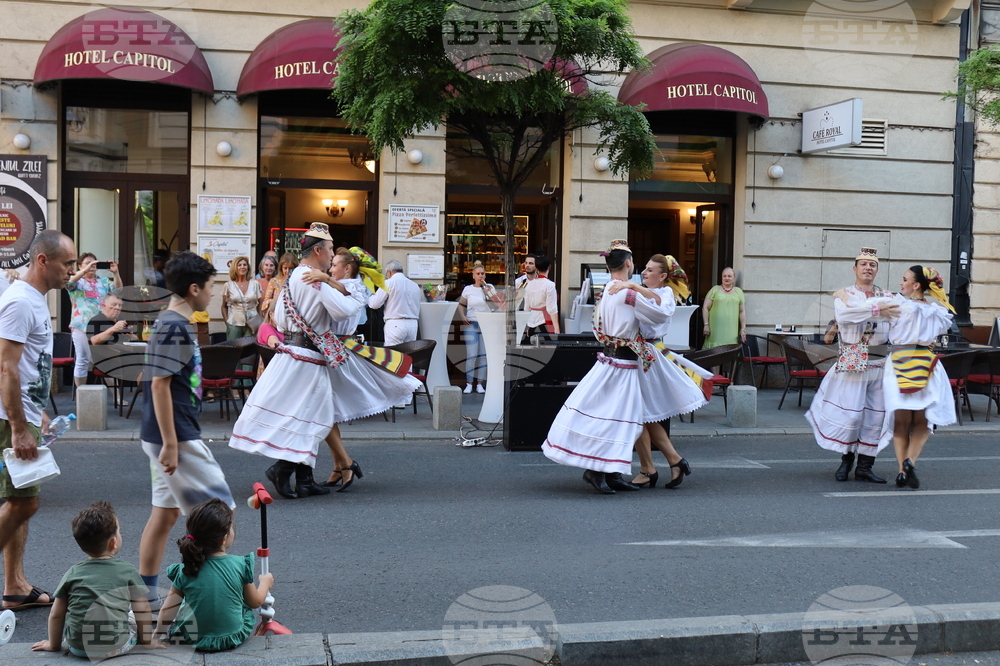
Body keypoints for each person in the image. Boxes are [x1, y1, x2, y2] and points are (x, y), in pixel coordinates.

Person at [230, 223, 420, 498]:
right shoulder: (315, 278)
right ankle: (285, 469)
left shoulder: (295, 275)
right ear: (318, 250)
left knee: (311, 415)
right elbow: (345, 311)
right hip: (308, 357)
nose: (332, 255)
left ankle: (304, 477)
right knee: (314, 415)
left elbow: (280, 318)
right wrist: (345, 288)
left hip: (297, 352)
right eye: (330, 249)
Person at [137, 251, 235, 609]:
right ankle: (203, 597)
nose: (213, 293)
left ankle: (146, 602)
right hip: (177, 434)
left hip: (169, 433)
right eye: (210, 287)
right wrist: (170, 444)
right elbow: (160, 385)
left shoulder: (171, 321)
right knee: (221, 515)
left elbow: (154, 377)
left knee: (164, 516)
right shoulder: (175, 326)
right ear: (194, 289)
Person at [0, 229, 76, 611]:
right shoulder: (19, 303)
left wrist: (39, 412)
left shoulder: (33, 301)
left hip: (24, 414)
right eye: (68, 263)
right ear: (43, 261)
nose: (72, 272)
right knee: (24, 504)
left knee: (19, 497)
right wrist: (17, 427)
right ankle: (12, 584)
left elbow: (31, 368)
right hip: (8, 419)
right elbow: (6, 366)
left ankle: (14, 585)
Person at [541, 240, 656, 495]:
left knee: (619, 419)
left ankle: (611, 471)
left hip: (611, 361)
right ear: (628, 263)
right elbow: (659, 315)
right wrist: (644, 289)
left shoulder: (606, 290)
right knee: (619, 419)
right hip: (621, 364)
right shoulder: (626, 292)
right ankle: (597, 470)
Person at [606, 254, 710, 489]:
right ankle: (669, 462)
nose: (644, 273)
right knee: (641, 414)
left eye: (650, 270)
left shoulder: (666, 295)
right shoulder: (645, 291)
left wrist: (631, 286)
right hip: (641, 351)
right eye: (644, 269)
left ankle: (651, 468)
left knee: (639, 413)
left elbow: (659, 311)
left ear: (663, 276)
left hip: (647, 355)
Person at [805, 247, 900, 483]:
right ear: (855, 268)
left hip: (879, 362)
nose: (868, 268)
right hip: (852, 361)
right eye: (864, 264)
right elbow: (846, 317)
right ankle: (846, 462)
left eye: (873, 264)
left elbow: (897, 317)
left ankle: (865, 467)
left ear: (877, 269)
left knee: (876, 417)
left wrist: (867, 311)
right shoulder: (844, 295)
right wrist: (877, 310)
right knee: (852, 416)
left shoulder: (886, 294)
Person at [31, 501, 151, 659]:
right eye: (119, 532)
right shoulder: (127, 570)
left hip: (78, 648)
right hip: (115, 647)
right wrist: (147, 641)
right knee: (132, 616)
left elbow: (56, 614)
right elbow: (142, 609)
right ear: (113, 542)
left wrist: (53, 645)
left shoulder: (73, 573)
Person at [153, 498, 273, 652]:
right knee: (241, 602)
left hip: (192, 638)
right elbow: (255, 602)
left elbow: (168, 609)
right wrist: (265, 582)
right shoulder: (239, 565)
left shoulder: (187, 568)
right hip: (231, 637)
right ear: (224, 538)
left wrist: (156, 636)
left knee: (184, 602)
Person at [875, 266, 956, 489]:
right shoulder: (937, 311)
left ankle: (901, 471)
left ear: (916, 285)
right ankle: (910, 462)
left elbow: (878, 326)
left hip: (900, 360)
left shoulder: (898, 305)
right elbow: (935, 336)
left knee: (901, 423)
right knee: (922, 422)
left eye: (904, 279)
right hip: (925, 362)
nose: (901, 284)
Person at [66, 253, 123, 387]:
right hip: (81, 325)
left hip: (100, 326)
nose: (92, 266)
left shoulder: (103, 281)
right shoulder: (77, 281)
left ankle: (117, 397)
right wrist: (84, 271)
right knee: (83, 359)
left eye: (94, 263)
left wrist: (116, 273)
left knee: (105, 359)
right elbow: (68, 283)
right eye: (88, 263)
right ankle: (82, 394)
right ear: (80, 266)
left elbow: (119, 291)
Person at [458, 261, 500, 394]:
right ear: (473, 276)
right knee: (472, 355)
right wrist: (462, 316)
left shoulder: (490, 287)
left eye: (482, 273)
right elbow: (461, 305)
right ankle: (469, 383)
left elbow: (497, 305)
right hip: (472, 323)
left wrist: (488, 291)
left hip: (486, 324)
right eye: (478, 274)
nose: (480, 276)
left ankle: (480, 384)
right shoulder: (468, 289)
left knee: (483, 355)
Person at [368, 259, 423, 345]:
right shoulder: (414, 285)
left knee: (394, 355)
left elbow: (374, 304)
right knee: (409, 355)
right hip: (412, 324)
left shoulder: (388, 283)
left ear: (389, 272)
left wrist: (371, 295)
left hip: (395, 324)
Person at [701, 267, 745, 348]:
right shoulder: (714, 290)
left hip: (732, 330)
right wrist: (706, 325)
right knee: (714, 352)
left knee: (730, 352)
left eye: (729, 276)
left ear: (734, 278)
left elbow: (742, 311)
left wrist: (743, 328)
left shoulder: (739, 292)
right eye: (724, 276)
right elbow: (705, 308)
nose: (726, 278)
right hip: (715, 330)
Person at [221, 256, 263, 340]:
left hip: (252, 322)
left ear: (248, 267)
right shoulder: (228, 285)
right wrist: (227, 322)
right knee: (233, 350)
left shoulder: (255, 284)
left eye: (245, 265)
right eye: (239, 265)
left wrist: (259, 318)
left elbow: (260, 303)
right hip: (234, 322)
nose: (242, 267)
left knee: (250, 349)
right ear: (235, 268)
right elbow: (224, 306)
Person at [520, 254, 560, 343]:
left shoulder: (529, 284)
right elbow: (552, 309)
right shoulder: (550, 285)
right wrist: (556, 328)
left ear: (536, 269)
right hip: (544, 322)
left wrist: (526, 326)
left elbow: (526, 308)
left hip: (531, 323)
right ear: (549, 267)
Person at [261, 252, 297, 319]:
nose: (288, 271)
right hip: (277, 317)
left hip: (294, 317)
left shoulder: (298, 282)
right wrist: (276, 300)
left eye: (291, 268)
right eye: (285, 268)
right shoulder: (274, 281)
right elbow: (266, 302)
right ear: (281, 268)